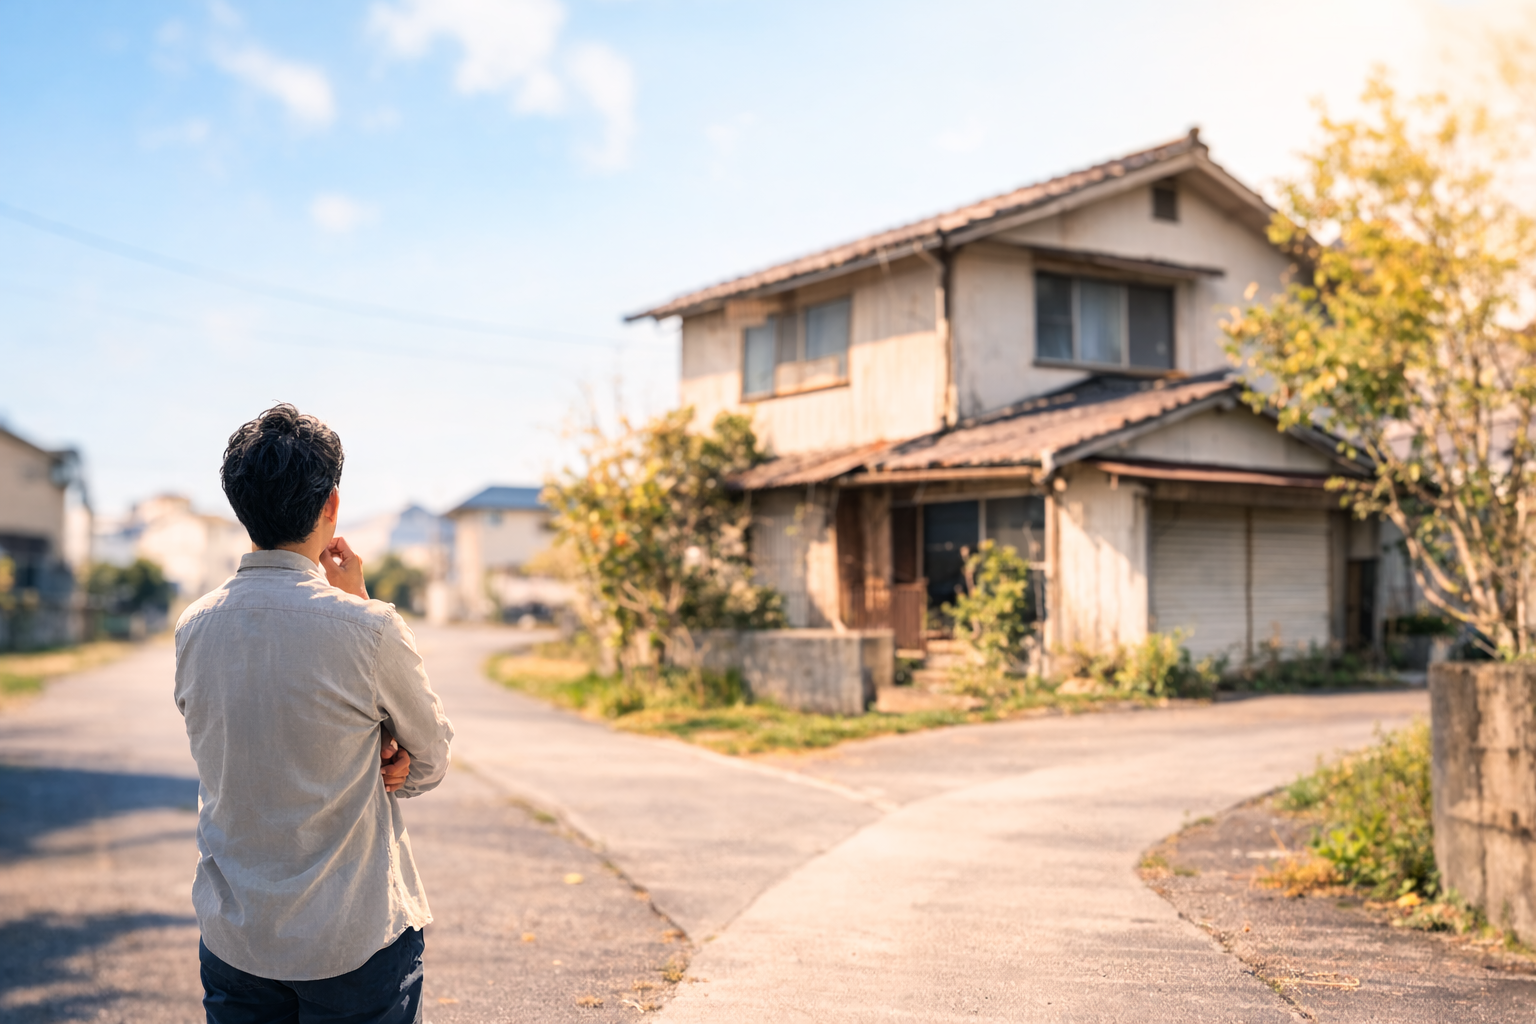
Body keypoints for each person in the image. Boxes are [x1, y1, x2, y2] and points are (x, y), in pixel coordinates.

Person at [174, 404, 453, 1024]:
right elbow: (429, 761)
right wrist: (357, 604)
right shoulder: (369, 628)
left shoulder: (193, 626)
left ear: (238, 505)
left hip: (236, 934)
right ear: (331, 504)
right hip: (353, 938)